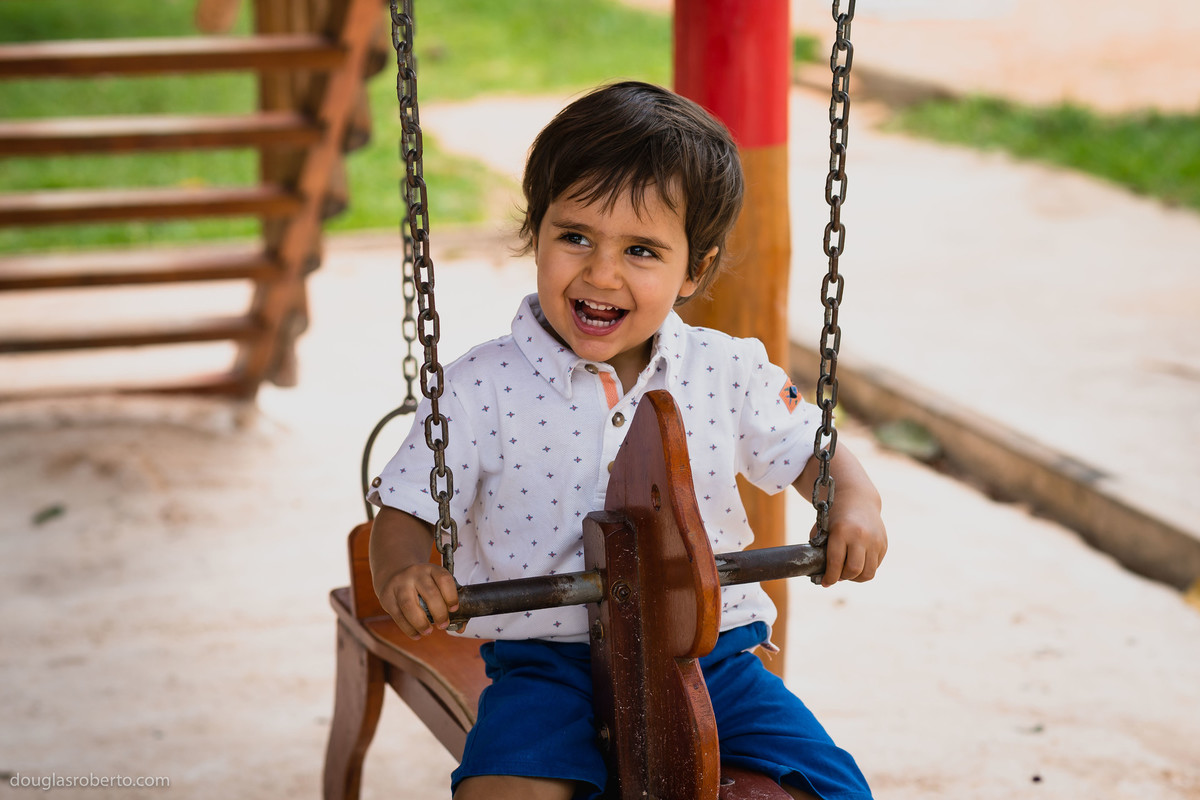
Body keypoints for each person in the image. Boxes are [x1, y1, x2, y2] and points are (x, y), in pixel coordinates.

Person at [367, 81, 886, 800]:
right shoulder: (478, 387)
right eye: (575, 235)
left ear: (693, 270)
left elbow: (813, 454)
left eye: (641, 250)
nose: (601, 273)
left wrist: (853, 505)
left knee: (834, 788)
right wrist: (403, 571)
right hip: (547, 660)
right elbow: (402, 510)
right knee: (502, 790)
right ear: (536, 230)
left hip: (713, 654)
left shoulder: (727, 369)